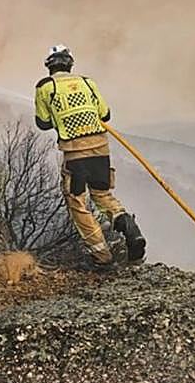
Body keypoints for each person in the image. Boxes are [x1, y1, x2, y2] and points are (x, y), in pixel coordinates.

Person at [34, 44, 146, 266]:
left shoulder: (45, 87)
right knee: (103, 195)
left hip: (75, 153)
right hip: (100, 148)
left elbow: (42, 123)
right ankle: (130, 230)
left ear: (50, 66)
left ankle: (101, 257)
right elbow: (105, 114)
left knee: (77, 202)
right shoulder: (88, 82)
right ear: (70, 64)